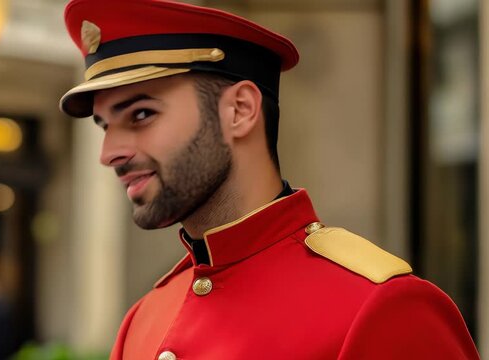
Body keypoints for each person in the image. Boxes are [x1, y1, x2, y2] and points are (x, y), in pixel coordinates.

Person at [59, 0, 480, 359]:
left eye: (141, 115)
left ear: (240, 110)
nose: (109, 153)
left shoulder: (382, 307)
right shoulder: (142, 320)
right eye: (104, 126)